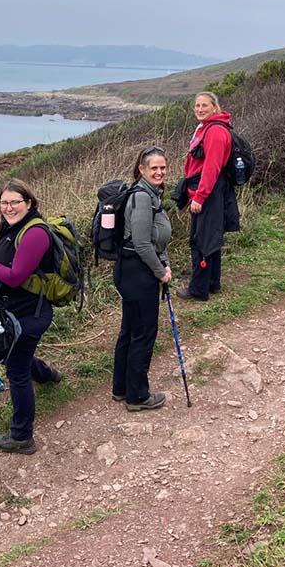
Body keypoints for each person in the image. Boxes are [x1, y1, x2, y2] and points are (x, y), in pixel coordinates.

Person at [0, 179, 62, 455]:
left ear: (29, 203)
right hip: (14, 312)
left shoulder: (35, 234)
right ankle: (49, 375)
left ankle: (22, 435)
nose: (9, 207)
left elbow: (15, 277)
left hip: (29, 315)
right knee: (18, 355)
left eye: (15, 202)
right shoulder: (12, 228)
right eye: (4, 202)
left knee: (17, 371)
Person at [113, 147, 173, 410]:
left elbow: (154, 239)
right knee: (143, 333)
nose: (159, 172)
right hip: (138, 273)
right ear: (142, 169)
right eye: (153, 168)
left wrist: (164, 262)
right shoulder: (141, 197)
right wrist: (161, 272)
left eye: (162, 167)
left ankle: (121, 388)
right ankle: (137, 396)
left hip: (133, 271)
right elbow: (141, 243)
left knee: (131, 329)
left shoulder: (150, 193)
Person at [175, 92, 240, 301]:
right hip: (210, 191)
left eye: (205, 105)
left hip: (208, 193)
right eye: (197, 105)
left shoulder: (215, 132)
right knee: (210, 238)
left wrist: (200, 197)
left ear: (215, 108)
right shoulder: (209, 128)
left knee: (200, 240)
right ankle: (213, 283)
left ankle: (198, 289)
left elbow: (211, 167)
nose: (200, 109)